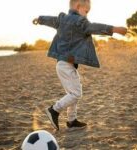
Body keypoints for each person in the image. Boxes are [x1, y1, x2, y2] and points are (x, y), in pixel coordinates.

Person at [33, 0, 127, 131]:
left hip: (64, 64)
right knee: (76, 94)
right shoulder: (80, 22)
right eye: (86, 11)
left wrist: (40, 19)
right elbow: (94, 27)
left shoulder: (62, 19)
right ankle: (54, 110)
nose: (87, 16)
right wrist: (114, 29)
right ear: (78, 7)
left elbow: (50, 20)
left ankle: (71, 121)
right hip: (65, 65)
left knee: (74, 92)